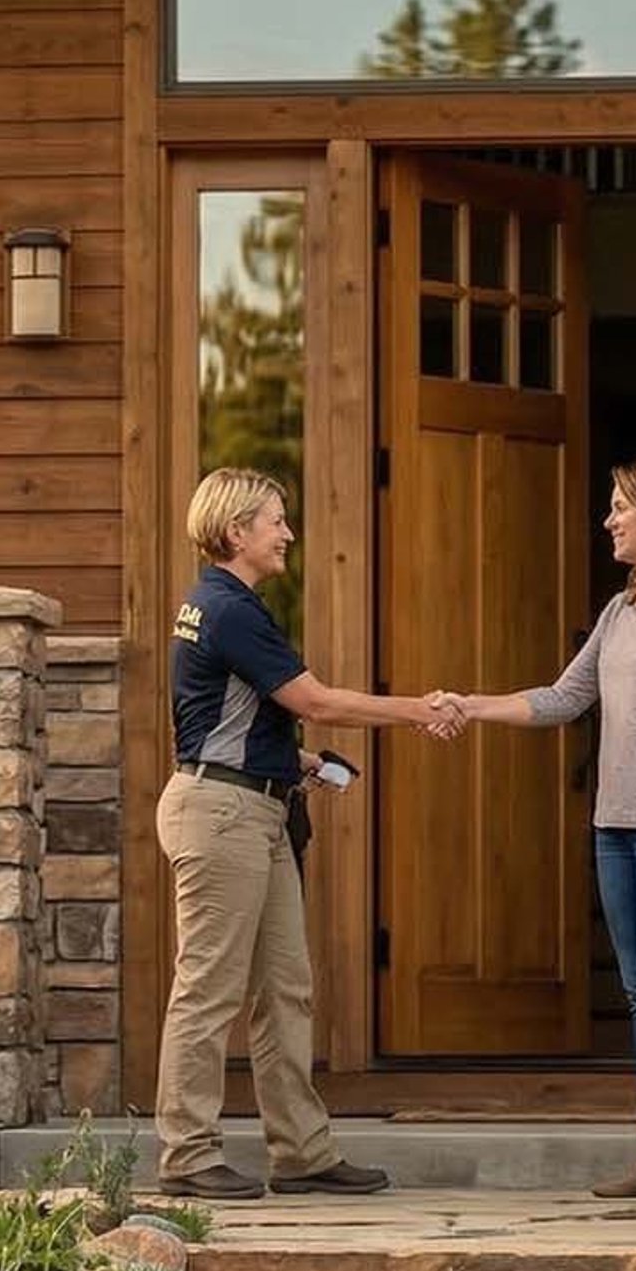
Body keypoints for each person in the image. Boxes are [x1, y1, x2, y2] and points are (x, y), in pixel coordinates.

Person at [440, 458, 636, 1205]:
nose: (608, 520)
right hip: (615, 825)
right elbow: (561, 697)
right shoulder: (620, 613)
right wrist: (467, 705)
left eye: (619, 508)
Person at [156, 466, 462, 1200]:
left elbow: (218, 719)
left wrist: (296, 761)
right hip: (224, 816)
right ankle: (188, 1155)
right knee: (208, 989)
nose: (288, 532)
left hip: (248, 806)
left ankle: (301, 1150)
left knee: (285, 987)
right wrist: (420, 709)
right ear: (237, 532)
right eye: (276, 520)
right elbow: (313, 697)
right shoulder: (228, 609)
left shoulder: (223, 606)